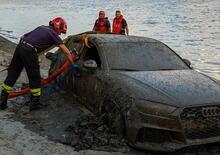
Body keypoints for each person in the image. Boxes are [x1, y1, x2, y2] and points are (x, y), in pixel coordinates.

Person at [0, 17, 76, 111]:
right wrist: (72, 62)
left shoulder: (41, 27)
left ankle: (2, 102)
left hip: (20, 46)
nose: (60, 34)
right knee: (35, 78)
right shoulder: (53, 34)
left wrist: (25, 54)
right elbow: (66, 51)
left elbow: (23, 37)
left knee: (13, 74)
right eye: (60, 31)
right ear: (57, 26)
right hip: (29, 50)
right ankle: (34, 104)